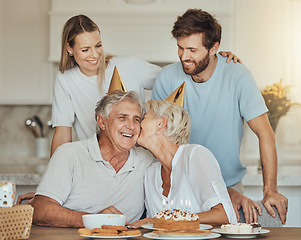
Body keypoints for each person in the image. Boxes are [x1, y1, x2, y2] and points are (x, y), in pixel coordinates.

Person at [151, 8, 288, 225]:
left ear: (214, 48)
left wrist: (270, 190)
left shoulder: (237, 75)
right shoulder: (166, 78)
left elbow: (265, 134)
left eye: (192, 50)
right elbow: (157, 141)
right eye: (180, 48)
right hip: (181, 185)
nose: (184, 57)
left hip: (230, 185)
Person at [32, 91, 156, 227]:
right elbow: (39, 210)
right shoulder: (69, 154)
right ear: (102, 122)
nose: (131, 126)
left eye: (136, 119)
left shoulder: (147, 161)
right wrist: (94, 220)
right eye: (122, 118)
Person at [129, 100, 237, 227]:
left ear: (161, 124)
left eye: (143, 117)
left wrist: (171, 219)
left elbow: (224, 215)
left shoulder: (195, 155)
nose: (137, 124)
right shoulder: (150, 173)